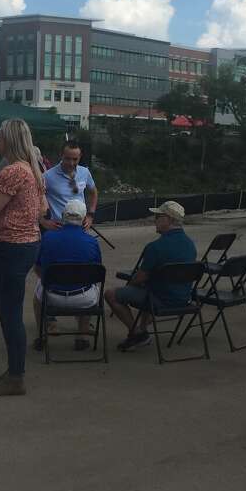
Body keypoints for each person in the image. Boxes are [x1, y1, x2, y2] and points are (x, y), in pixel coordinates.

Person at [0, 118, 46, 396]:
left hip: (7, 246)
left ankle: (16, 376)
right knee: (10, 310)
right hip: (25, 244)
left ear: (9, 139)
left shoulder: (12, 172)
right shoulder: (32, 169)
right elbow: (43, 208)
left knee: (9, 313)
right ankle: (13, 369)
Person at [103, 201, 198, 352]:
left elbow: (140, 278)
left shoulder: (155, 247)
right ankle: (141, 329)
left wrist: (130, 285)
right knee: (147, 286)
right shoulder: (190, 245)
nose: (155, 220)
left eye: (158, 217)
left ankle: (136, 334)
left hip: (160, 299)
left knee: (111, 294)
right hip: (183, 298)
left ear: (169, 220)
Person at [32, 199, 102, 353]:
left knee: (37, 293)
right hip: (83, 298)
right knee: (92, 286)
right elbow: (96, 275)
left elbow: (37, 268)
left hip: (52, 296)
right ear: (84, 219)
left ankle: (41, 336)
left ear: (63, 216)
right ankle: (82, 337)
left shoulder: (48, 238)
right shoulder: (92, 242)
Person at [41, 140, 98, 231]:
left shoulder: (85, 172)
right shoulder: (47, 176)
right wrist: (43, 221)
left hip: (80, 228)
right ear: (61, 155)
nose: (71, 163)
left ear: (80, 157)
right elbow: (34, 199)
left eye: (75, 159)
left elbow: (93, 193)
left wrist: (90, 215)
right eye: (67, 158)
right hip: (58, 229)